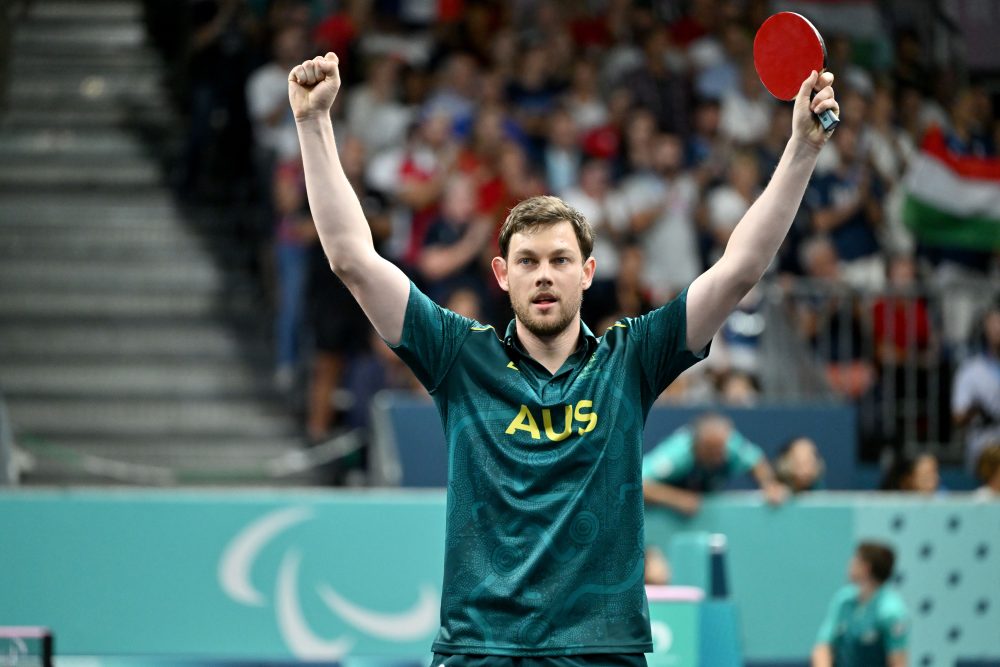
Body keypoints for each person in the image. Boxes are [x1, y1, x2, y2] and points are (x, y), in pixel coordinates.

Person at [288, 50, 837, 663]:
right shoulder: (459, 359)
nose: (544, 276)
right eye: (527, 261)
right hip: (481, 649)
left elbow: (737, 272)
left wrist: (801, 151)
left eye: (560, 261)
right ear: (501, 274)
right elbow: (352, 260)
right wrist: (313, 125)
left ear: (587, 274)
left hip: (601, 650)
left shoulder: (631, 360)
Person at [641, 413, 788, 515]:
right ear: (697, 445)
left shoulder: (729, 443)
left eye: (721, 449)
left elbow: (756, 462)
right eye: (711, 451)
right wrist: (677, 499)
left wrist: (769, 485)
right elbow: (640, 484)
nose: (719, 457)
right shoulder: (677, 453)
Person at [812, 542, 910, 667]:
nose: (849, 564)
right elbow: (823, 646)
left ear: (865, 567)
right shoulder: (843, 600)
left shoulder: (892, 612)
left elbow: (898, 662)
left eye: (854, 560)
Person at [952, 304, 1000, 473]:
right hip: (983, 446)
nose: (998, 329)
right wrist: (977, 410)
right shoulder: (971, 370)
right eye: (994, 323)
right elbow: (958, 416)